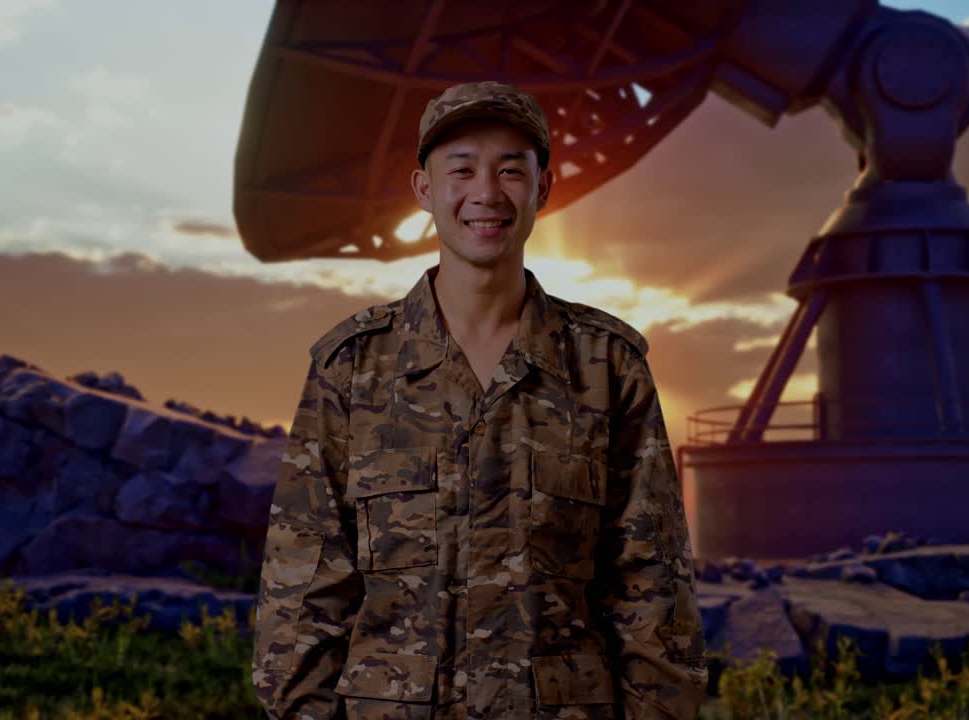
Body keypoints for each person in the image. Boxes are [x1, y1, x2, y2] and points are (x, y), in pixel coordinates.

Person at [252, 80, 706, 719]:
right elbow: (300, 602)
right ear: (424, 190)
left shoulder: (607, 368)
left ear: (543, 189)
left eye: (510, 170)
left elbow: (654, 596)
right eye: (461, 169)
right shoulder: (351, 370)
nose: (486, 194)